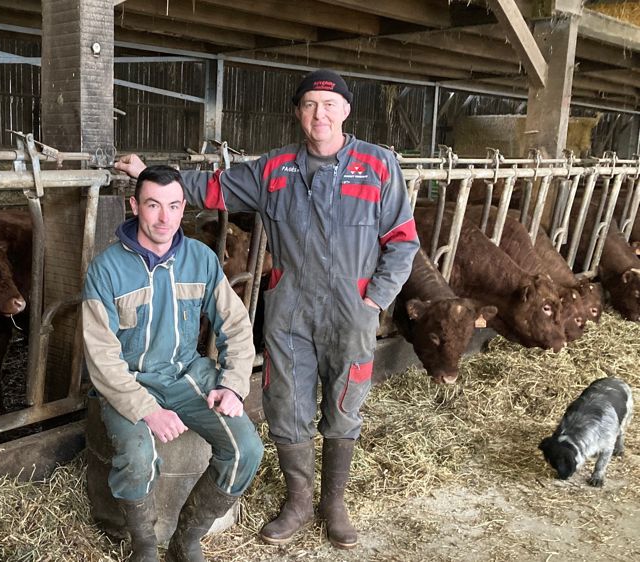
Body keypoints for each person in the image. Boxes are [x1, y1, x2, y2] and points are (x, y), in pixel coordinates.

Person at [115, 69, 419, 550]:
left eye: (329, 104)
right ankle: (298, 501)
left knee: (345, 403)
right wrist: (147, 175)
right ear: (299, 113)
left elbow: (403, 242)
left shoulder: (378, 165)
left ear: (345, 111)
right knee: (286, 404)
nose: (320, 114)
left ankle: (333, 504)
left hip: (352, 311)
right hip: (290, 309)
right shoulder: (275, 169)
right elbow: (212, 189)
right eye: (309, 105)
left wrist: (375, 299)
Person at [82, 165, 264, 562]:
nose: (164, 218)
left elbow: (234, 323)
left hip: (186, 373)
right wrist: (148, 411)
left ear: (184, 208)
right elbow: (101, 357)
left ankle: (187, 539)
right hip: (127, 383)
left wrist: (233, 383)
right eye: (153, 205)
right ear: (134, 206)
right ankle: (144, 545)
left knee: (246, 449)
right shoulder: (106, 269)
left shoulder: (201, 259)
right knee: (136, 456)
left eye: (174, 206)